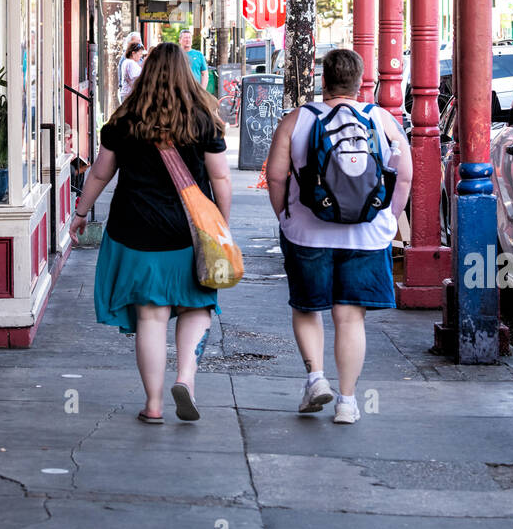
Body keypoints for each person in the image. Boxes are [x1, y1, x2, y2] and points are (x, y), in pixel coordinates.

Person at [69, 42, 231, 423]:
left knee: (151, 318)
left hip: (135, 231)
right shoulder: (203, 120)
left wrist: (79, 213)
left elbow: (99, 173)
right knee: (198, 305)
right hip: (188, 235)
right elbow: (221, 179)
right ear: (185, 75)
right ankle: (186, 380)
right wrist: (221, 227)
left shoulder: (125, 121)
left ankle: (154, 405)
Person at [265, 48, 412, 425]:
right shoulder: (380, 119)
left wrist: (285, 215)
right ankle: (347, 402)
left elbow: (276, 176)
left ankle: (315, 379)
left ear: (324, 80)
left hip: (307, 233)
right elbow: (405, 175)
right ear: (362, 82)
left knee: (307, 308)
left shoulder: (297, 120)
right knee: (349, 318)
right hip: (367, 236)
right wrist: (389, 218)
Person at [117, 31, 142, 104]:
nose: (139, 43)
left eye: (140, 41)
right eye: (137, 41)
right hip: (130, 95)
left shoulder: (137, 58)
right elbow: (131, 79)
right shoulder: (128, 60)